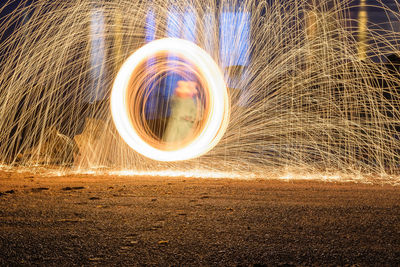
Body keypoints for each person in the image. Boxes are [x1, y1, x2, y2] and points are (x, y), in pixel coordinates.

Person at [162, 80, 199, 145]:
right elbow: (173, 106)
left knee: (182, 141)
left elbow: (195, 114)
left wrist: (189, 118)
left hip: (185, 125)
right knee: (173, 140)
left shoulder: (191, 101)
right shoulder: (176, 99)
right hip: (176, 124)